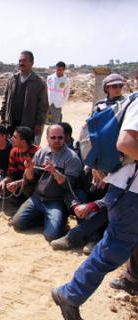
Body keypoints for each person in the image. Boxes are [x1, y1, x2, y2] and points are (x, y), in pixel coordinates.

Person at [52, 93, 138, 319]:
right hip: (130, 191)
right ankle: (70, 294)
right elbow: (126, 143)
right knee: (114, 247)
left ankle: (133, 279)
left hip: (129, 189)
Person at [11, 124, 82, 241]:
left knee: (51, 235)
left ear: (65, 138)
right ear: (47, 138)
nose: (57, 140)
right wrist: (29, 169)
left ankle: (59, 219)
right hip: (37, 199)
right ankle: (46, 218)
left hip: (56, 201)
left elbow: (69, 185)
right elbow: (30, 179)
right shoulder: (41, 153)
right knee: (17, 224)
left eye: (60, 137)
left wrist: (55, 172)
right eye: (53, 137)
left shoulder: (72, 158)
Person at [0, 50, 49, 144]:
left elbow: (43, 106)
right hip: (11, 122)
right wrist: (2, 116)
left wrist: (39, 124)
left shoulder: (39, 82)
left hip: (28, 124)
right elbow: (5, 99)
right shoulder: (12, 79)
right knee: (10, 148)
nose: (21, 63)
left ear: (32, 62)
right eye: (20, 61)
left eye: (24, 61)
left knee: (26, 150)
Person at [0, 127, 39, 199]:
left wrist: (17, 183)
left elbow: (36, 178)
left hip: (33, 183)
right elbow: (11, 172)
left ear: (23, 141)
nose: (11, 139)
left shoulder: (38, 153)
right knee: (0, 181)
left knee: (27, 188)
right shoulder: (14, 151)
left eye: (15, 137)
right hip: (21, 179)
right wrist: (6, 180)